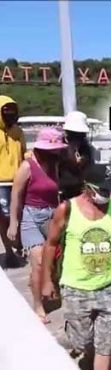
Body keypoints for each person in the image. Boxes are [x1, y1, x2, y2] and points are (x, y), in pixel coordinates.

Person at [41, 164, 111, 370]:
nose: (107, 195)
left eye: (110, 191)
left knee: (106, 343)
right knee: (82, 342)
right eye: (103, 190)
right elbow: (51, 244)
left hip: (108, 285)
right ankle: (77, 340)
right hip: (75, 287)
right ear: (88, 188)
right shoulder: (67, 209)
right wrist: (47, 280)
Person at [7, 128, 66, 323]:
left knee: (54, 259)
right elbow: (16, 195)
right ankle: (38, 305)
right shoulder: (27, 166)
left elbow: (55, 193)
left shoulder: (54, 164)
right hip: (31, 216)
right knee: (39, 260)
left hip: (52, 215)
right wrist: (13, 223)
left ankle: (45, 286)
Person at [0, 95, 26, 267]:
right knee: (4, 218)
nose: (10, 113)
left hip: (19, 179)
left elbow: (24, 152)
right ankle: (9, 251)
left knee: (21, 216)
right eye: (6, 110)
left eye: (12, 110)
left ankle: (20, 247)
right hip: (1, 183)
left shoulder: (18, 132)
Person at [59, 111, 101, 200]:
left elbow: (88, 169)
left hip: (80, 188)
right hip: (62, 189)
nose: (77, 137)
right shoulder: (59, 147)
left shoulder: (88, 149)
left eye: (80, 134)